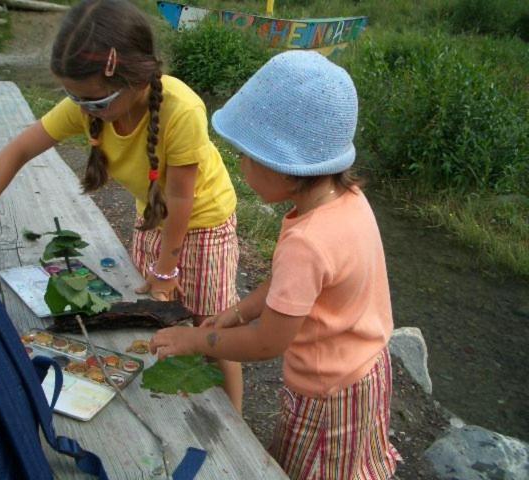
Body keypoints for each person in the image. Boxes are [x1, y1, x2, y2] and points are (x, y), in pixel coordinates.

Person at [0, 0, 242, 411]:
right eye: (73, 97)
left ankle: (235, 421)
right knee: (153, 319)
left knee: (212, 329)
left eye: (91, 100)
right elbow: (18, 150)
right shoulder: (91, 103)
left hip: (203, 224)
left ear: (135, 78)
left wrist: (166, 270)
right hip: (153, 220)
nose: (82, 107)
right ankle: (180, 407)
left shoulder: (183, 109)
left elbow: (182, 198)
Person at [150, 51, 401, 479]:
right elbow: (288, 287)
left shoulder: (307, 242)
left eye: (247, 157)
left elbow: (268, 343)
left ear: (287, 169)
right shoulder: (345, 201)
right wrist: (235, 312)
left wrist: (197, 340)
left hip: (327, 395)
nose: (240, 165)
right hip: (365, 370)